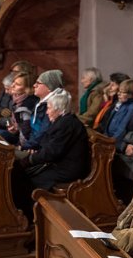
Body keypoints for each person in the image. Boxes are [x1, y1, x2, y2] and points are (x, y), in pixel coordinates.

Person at [12, 90, 90, 220]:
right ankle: (22, 213)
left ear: (59, 109)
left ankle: (32, 218)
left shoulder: (66, 124)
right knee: (19, 171)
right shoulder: (61, 121)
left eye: (49, 108)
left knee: (29, 179)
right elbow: (47, 144)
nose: (47, 112)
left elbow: (52, 152)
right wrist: (34, 152)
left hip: (67, 168)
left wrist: (30, 159)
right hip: (58, 162)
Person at [20, 69, 64, 151]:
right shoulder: (39, 102)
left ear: (49, 87)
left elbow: (43, 133)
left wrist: (25, 147)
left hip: (42, 150)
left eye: (38, 83)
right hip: (33, 146)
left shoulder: (52, 106)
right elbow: (33, 130)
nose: (34, 85)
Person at [102, 79, 133, 151]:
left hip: (114, 140)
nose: (119, 94)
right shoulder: (120, 103)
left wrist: (112, 140)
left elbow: (123, 126)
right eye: (119, 91)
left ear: (131, 94)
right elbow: (109, 120)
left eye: (123, 92)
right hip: (108, 137)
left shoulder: (132, 107)